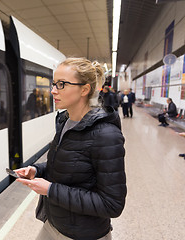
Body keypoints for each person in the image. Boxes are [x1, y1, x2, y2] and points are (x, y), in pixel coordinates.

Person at [14, 58, 127, 240]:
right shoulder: (65, 122)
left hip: (83, 233)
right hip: (53, 224)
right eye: (54, 84)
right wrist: (37, 170)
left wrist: (50, 190)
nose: (53, 91)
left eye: (61, 84)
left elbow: (112, 204)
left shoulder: (106, 136)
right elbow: (65, 162)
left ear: (84, 89)